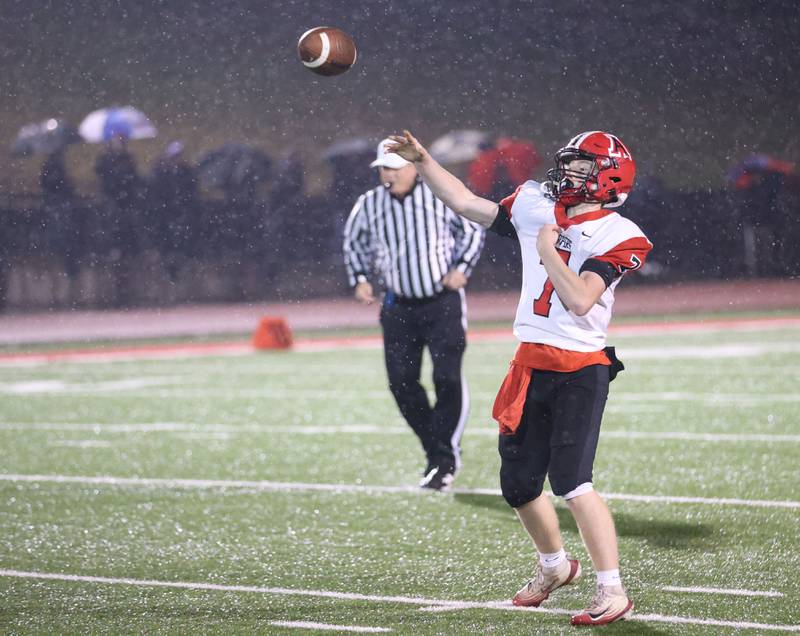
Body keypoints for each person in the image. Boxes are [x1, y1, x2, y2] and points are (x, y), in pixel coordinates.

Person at [387, 129, 652, 626]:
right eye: (568, 165)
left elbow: (578, 300)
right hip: (530, 362)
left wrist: (549, 250)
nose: (567, 174)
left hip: (580, 367)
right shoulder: (536, 204)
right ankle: (554, 567)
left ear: (607, 177)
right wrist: (422, 160)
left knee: (573, 483)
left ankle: (611, 588)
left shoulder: (621, 234)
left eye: (580, 168)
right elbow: (467, 202)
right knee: (518, 484)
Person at [343, 138, 485, 491]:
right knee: (401, 383)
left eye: (393, 167)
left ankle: (444, 457)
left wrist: (462, 268)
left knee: (447, 379)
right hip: (398, 306)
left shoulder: (438, 196)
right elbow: (353, 243)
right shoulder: (370, 204)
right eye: (383, 169)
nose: (387, 175)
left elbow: (471, 230)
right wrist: (360, 279)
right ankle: (436, 449)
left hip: (442, 302)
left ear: (411, 168)